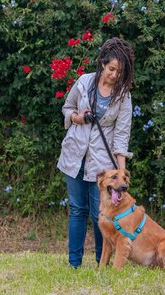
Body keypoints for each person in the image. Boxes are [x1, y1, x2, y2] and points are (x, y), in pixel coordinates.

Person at [57, 37, 135, 268]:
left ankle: (103, 263)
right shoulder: (83, 82)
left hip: (102, 163)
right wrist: (78, 117)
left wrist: (121, 170)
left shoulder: (123, 96)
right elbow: (67, 108)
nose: (114, 75)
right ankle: (74, 264)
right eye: (111, 69)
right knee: (77, 210)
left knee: (101, 214)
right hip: (74, 155)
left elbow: (121, 135)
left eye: (119, 72)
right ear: (102, 64)